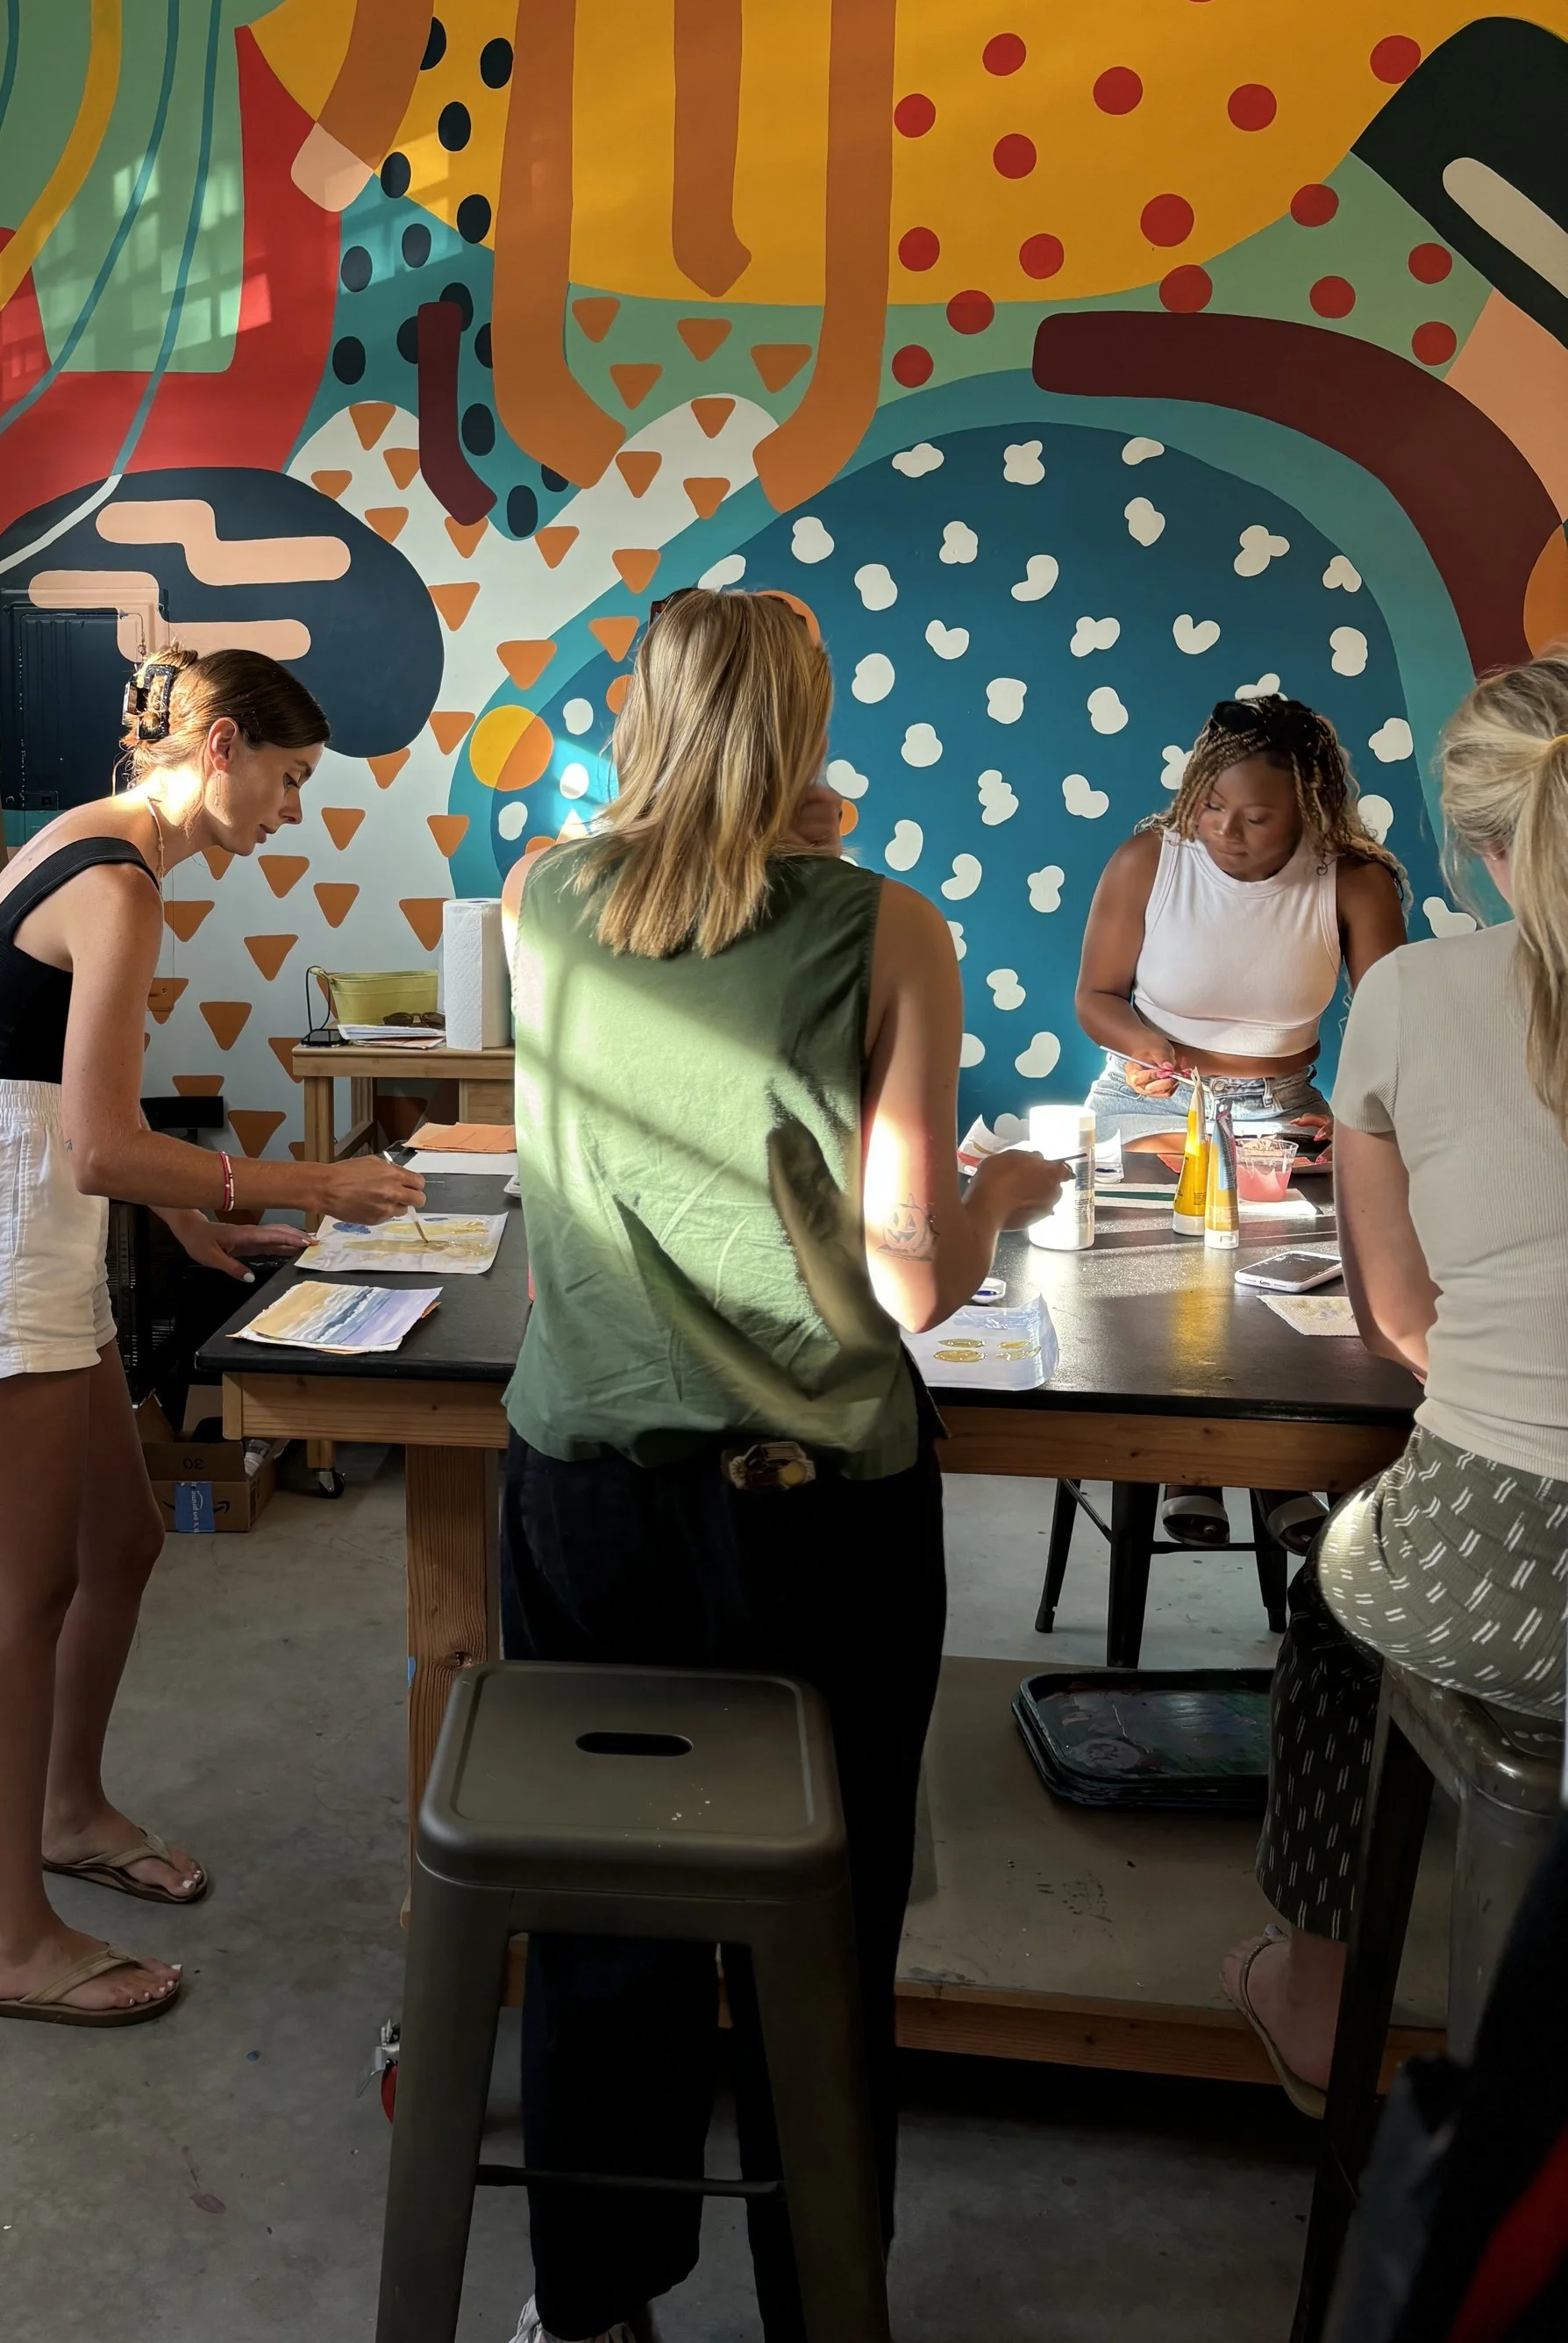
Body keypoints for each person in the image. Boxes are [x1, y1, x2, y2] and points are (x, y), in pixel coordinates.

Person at [495, 589, 1067, 2343]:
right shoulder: (888, 925)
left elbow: (661, 906)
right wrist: (997, 1196)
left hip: (583, 1487)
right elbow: (909, 1284)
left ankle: (591, 2296)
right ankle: (823, 2295)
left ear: (645, 710)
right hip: (810, 1505)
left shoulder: (539, 897)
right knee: (827, 1909)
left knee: (602, 1902)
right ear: (810, 726)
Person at [0, 647, 421, 2029]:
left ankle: (69, 1811)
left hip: (32, 1236)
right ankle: (9, 1939)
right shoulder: (115, 878)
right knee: (22, 1600)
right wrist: (311, 1182)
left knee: (119, 1543)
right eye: (289, 778)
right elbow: (97, 1143)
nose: (293, 810)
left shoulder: (108, 849)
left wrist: (190, 1217)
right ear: (221, 746)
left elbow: (53, 1096)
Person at [1221, 650, 1568, 2111]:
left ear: (1476, 841)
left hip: (1510, 1553)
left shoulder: (1417, 992)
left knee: (1333, 1599)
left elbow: (1403, 1321)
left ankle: (1315, 1993)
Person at [1074, 693, 1406, 1550]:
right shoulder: (1148, 861)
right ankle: (1189, 1461)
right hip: (1145, 1105)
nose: (1225, 831)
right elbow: (1096, 997)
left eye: (1256, 817)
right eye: (1211, 806)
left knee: (1288, 1294)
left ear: (1309, 811)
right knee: (1147, 1285)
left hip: (1281, 1112)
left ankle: (1276, 1467)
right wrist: (1145, 1042)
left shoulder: (1352, 882)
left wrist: (1366, 1128)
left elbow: (1395, 1027)